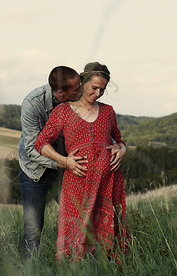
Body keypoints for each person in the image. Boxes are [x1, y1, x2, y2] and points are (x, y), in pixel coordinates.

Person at [34, 62, 127, 259]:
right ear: (83, 83)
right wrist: (65, 161)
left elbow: (119, 140)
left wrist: (122, 150)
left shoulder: (109, 111)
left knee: (109, 235)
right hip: (77, 182)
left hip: (108, 182)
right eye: (94, 87)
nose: (98, 93)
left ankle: (107, 268)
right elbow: (41, 143)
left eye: (103, 89)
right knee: (75, 233)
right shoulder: (63, 111)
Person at [18, 66, 86, 258]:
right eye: (76, 89)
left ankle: (77, 267)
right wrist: (64, 162)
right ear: (60, 92)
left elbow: (96, 126)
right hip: (34, 172)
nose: (80, 91)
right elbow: (31, 149)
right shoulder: (33, 103)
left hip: (66, 171)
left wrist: (118, 146)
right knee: (33, 231)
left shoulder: (77, 100)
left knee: (78, 220)